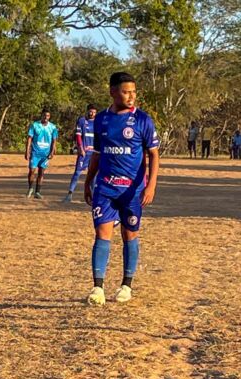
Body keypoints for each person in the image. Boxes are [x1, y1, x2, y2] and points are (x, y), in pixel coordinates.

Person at [84, 71, 159, 305]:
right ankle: (98, 288)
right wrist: (88, 180)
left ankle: (126, 285)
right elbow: (97, 153)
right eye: (126, 91)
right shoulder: (101, 120)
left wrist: (151, 186)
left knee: (130, 234)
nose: (131, 96)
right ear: (113, 92)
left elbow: (154, 154)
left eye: (134, 92)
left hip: (132, 191)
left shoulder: (143, 120)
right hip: (105, 188)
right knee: (101, 234)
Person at [63, 104, 97, 203]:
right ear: (87, 111)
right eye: (91, 111)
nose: (92, 114)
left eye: (94, 112)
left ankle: (93, 196)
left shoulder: (97, 122)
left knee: (93, 175)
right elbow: (78, 136)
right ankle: (69, 194)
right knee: (77, 173)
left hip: (94, 153)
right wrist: (80, 148)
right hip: (84, 152)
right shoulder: (82, 121)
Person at [25, 109, 58, 199]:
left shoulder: (53, 127)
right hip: (35, 153)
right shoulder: (35, 125)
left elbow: (54, 140)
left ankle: (38, 192)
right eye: (44, 115)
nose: (46, 117)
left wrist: (52, 151)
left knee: (41, 173)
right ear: (41, 115)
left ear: (49, 117)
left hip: (45, 154)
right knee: (32, 171)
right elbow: (29, 139)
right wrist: (27, 151)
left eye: (47, 116)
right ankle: (30, 188)